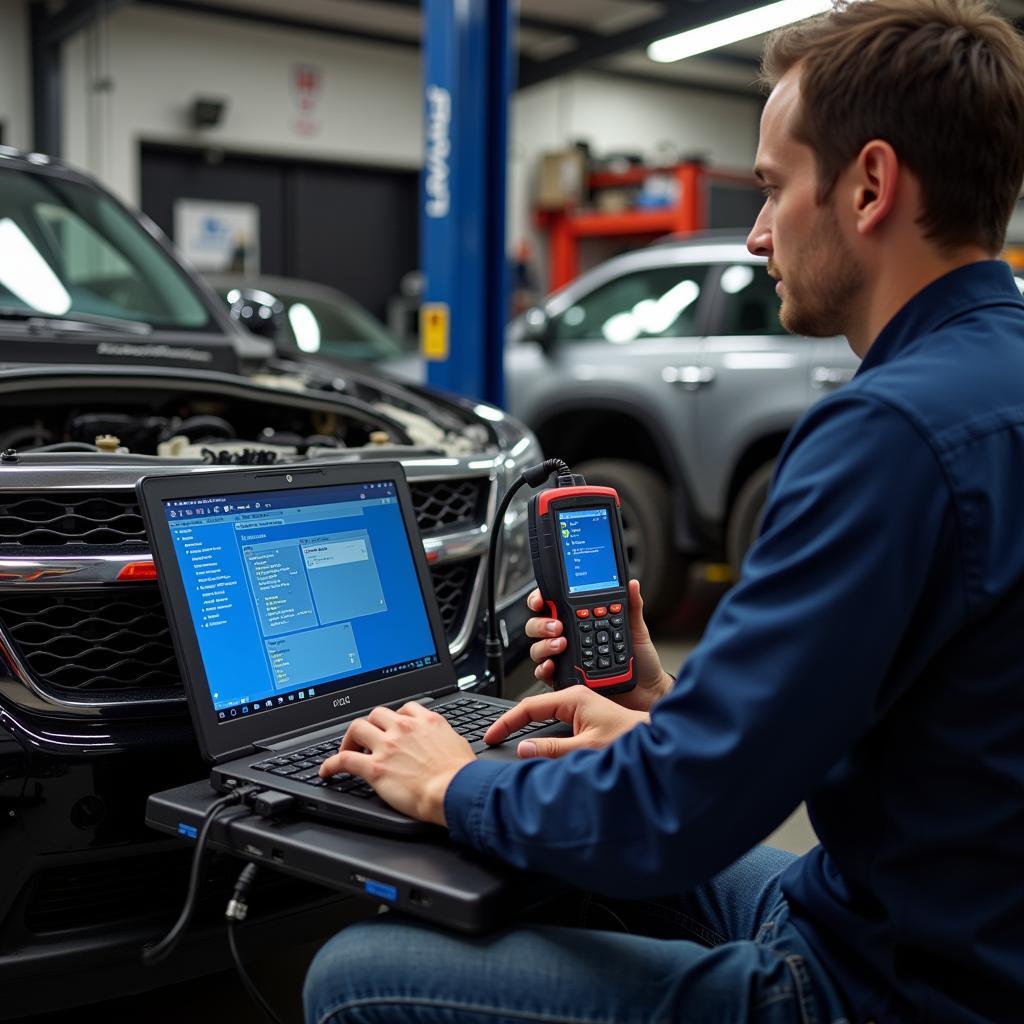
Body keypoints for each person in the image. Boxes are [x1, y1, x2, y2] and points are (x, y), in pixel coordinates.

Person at [303, 2, 1024, 1021]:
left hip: (877, 989)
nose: (759, 233)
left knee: (353, 975)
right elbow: (915, 719)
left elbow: (680, 816)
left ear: (868, 184)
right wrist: (667, 708)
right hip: (917, 915)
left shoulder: (889, 433)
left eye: (772, 188)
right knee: (553, 831)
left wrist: (451, 783)